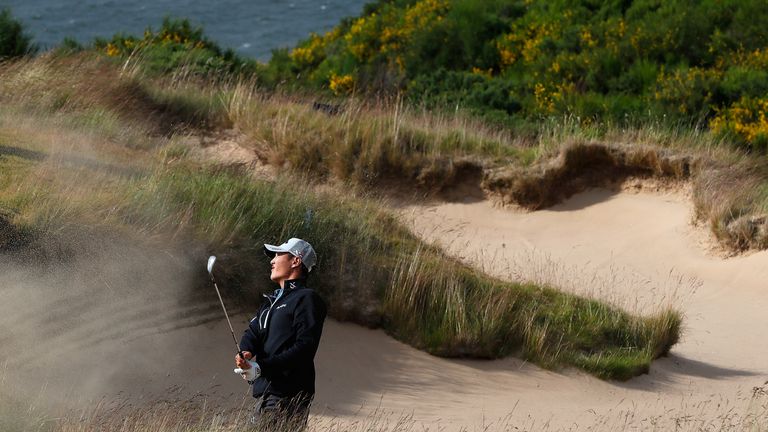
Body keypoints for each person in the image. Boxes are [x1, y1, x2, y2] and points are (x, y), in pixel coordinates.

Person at [234, 237, 327, 428]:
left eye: (278, 255)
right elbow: (253, 332)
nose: (272, 260)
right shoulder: (271, 301)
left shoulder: (306, 299)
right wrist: (246, 352)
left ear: (296, 261)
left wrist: (261, 367)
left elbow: (305, 348)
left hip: (288, 394)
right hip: (266, 392)